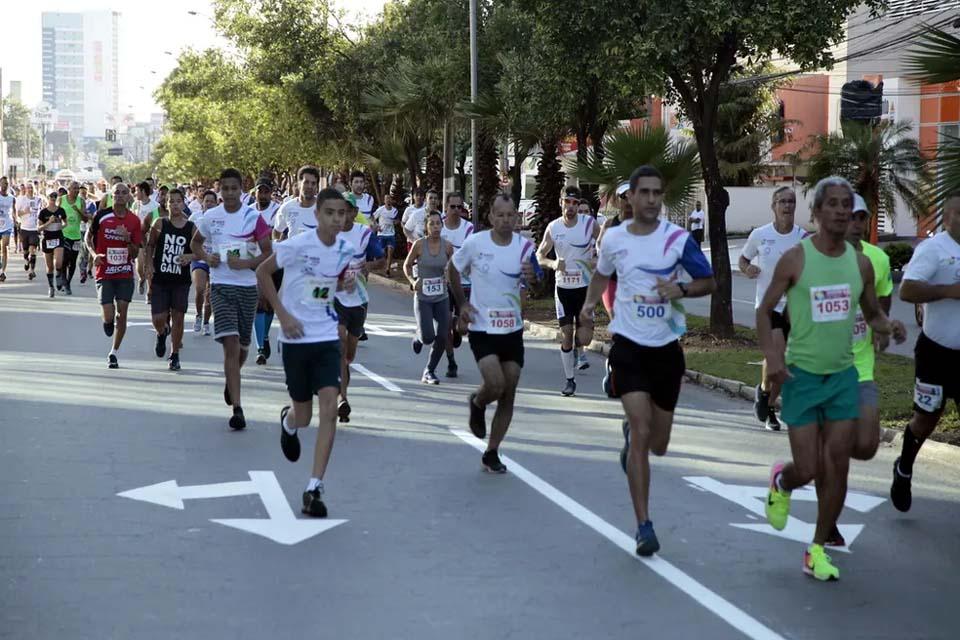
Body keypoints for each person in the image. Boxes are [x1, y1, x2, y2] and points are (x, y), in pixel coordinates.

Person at [759, 176, 904, 582]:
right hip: (802, 376)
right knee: (806, 468)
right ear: (818, 212)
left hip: (843, 375)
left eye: (847, 204)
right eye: (834, 204)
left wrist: (887, 325)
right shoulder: (796, 258)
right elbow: (768, 312)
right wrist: (773, 359)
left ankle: (817, 549)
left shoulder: (860, 263)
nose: (842, 211)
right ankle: (782, 481)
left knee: (837, 463)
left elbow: (871, 311)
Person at [580, 165, 715, 556]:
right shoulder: (615, 238)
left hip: (667, 349)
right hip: (629, 347)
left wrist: (682, 288)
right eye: (645, 193)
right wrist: (589, 306)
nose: (652, 200)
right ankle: (643, 525)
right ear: (631, 197)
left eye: (658, 193)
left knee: (659, 444)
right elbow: (601, 277)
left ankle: (632, 438)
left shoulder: (677, 239)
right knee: (642, 432)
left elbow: (709, 281)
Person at [256, 188, 356, 518]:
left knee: (329, 407)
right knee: (305, 416)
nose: (336, 219)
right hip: (295, 339)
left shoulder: (346, 249)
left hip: (327, 337)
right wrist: (283, 315)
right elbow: (262, 273)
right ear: (317, 216)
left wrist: (346, 284)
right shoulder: (298, 245)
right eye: (330, 213)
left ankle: (314, 487)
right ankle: (288, 422)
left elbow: (333, 284)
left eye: (341, 214)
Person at [819, 193, 897, 547]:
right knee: (836, 458)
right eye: (850, 216)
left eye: (861, 217)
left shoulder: (877, 260)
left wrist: (884, 330)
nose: (855, 223)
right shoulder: (817, 257)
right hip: (822, 368)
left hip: (861, 367)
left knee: (865, 445)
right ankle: (828, 524)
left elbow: (881, 304)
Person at [448, 193, 539, 474]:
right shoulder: (477, 243)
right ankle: (477, 401)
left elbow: (535, 284)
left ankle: (492, 451)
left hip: (512, 329)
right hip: (483, 327)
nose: (505, 220)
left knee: (508, 392)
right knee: (495, 383)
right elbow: (451, 268)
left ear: (516, 217)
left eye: (510, 215)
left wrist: (534, 276)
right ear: (490, 217)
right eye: (500, 215)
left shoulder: (525, 247)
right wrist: (462, 303)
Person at [891, 191, 960, 513]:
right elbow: (907, 289)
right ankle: (904, 469)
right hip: (936, 353)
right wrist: (949, 291)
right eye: (958, 213)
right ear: (946, 217)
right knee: (926, 418)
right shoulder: (934, 249)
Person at [191, 168, 273, 431]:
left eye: (233, 188)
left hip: (247, 287)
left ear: (241, 190)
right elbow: (195, 244)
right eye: (224, 188)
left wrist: (247, 263)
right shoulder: (210, 217)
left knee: (243, 347)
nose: (228, 193)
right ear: (220, 190)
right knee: (231, 343)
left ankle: (231, 378)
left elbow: (268, 251)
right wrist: (207, 257)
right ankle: (238, 408)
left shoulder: (253, 217)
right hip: (221, 287)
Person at [739, 187, 808, 430]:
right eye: (782, 202)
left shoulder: (803, 238)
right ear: (773, 206)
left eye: (791, 202)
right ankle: (768, 406)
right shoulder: (760, 235)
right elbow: (743, 260)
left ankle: (766, 399)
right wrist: (748, 270)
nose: (787, 206)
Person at [537, 185, 600, 396]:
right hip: (563, 289)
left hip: (584, 289)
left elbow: (606, 246)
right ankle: (570, 380)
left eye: (575, 203)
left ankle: (576, 348)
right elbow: (539, 255)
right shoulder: (553, 228)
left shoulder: (589, 224)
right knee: (567, 334)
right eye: (567, 202)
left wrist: (596, 259)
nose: (571, 207)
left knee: (585, 339)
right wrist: (553, 264)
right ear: (560, 202)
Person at [333, 194, 383, 422]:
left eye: (348, 210)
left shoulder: (364, 234)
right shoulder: (329, 234)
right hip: (335, 298)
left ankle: (341, 385)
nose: (343, 215)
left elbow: (382, 260)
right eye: (340, 210)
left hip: (359, 300)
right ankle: (342, 399)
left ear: (355, 213)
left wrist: (369, 264)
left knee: (349, 354)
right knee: (340, 345)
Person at [86, 183, 143, 368]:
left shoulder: (134, 221)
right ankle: (107, 321)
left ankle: (114, 352)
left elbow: (135, 253)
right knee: (109, 315)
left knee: (123, 313)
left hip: (125, 272)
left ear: (129, 197)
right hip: (105, 271)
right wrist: (95, 255)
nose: (119, 195)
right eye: (116, 192)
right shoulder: (102, 216)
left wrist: (127, 239)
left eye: (124, 193)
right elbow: (88, 238)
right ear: (111, 196)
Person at [144, 188, 196, 371]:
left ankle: (174, 354)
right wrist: (149, 265)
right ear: (166, 204)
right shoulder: (160, 223)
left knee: (178, 317)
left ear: (183, 203)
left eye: (178, 201)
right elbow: (150, 245)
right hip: (161, 278)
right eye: (171, 201)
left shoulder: (191, 227)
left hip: (181, 281)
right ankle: (162, 332)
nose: (174, 204)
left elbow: (199, 251)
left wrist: (189, 257)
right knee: (158, 318)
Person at [405, 211, 454, 384]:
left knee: (442, 335)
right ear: (426, 227)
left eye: (438, 223)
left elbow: (452, 268)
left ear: (442, 225)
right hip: (423, 297)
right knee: (428, 337)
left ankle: (429, 370)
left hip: (442, 296)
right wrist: (412, 281)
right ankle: (418, 336)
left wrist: (449, 274)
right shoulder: (419, 245)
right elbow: (407, 265)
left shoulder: (447, 246)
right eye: (432, 224)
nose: (435, 227)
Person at [439, 191, 475, 378]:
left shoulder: (468, 228)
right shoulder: (439, 227)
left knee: (463, 327)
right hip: (443, 283)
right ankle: (451, 361)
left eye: (459, 207)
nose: (455, 210)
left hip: (464, 283)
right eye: (452, 207)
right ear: (446, 207)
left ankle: (457, 326)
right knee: (444, 323)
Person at [252, 178, 281, 364]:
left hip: (275, 261)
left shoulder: (277, 210)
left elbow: (278, 233)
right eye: (260, 191)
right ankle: (260, 348)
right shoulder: (247, 211)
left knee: (269, 304)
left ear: (271, 193)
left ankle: (264, 336)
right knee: (258, 302)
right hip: (254, 261)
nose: (263, 195)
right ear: (254, 192)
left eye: (266, 191)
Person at [188, 190, 218, 336]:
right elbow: (188, 237)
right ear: (203, 203)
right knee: (200, 288)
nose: (209, 204)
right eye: (207, 201)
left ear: (217, 203)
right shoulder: (195, 217)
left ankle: (206, 322)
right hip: (199, 257)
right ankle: (198, 315)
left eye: (212, 201)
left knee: (211, 294)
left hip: (215, 260)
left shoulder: (220, 219)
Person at [274, 166, 320, 241]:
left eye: (313, 183)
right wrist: (277, 244)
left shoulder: (325, 208)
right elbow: (276, 231)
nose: (310, 186)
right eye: (306, 182)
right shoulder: (287, 208)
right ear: (298, 184)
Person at [59, 181, 87, 296]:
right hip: (64, 234)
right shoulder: (62, 199)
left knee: (73, 261)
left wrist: (78, 210)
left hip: (76, 235)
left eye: (77, 189)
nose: (76, 190)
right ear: (69, 189)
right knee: (64, 260)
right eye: (74, 188)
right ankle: (65, 283)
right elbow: (56, 212)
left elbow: (85, 219)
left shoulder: (81, 201)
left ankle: (67, 282)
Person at [135, 181, 161, 297]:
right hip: (138, 238)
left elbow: (157, 223)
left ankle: (150, 292)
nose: (135, 194)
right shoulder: (135, 205)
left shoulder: (155, 206)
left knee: (149, 263)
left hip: (150, 239)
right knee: (140, 266)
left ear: (143, 192)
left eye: (137, 191)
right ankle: (141, 279)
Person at [38, 191, 67, 298]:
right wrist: (49, 222)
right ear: (48, 198)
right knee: (49, 267)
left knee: (58, 263)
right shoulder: (43, 212)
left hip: (58, 238)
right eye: (51, 197)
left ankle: (58, 275)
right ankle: (51, 287)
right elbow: (39, 228)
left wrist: (62, 226)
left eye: (55, 197)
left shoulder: (61, 210)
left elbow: (65, 222)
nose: (53, 199)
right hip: (47, 239)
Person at [15, 183, 41, 280]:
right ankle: (26, 261)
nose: (30, 189)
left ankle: (32, 271)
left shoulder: (38, 199)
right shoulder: (21, 199)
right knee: (25, 251)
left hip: (34, 229)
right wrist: (25, 211)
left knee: (32, 250)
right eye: (28, 188)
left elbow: (40, 212)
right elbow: (18, 213)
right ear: (25, 189)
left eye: (32, 188)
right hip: (24, 228)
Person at [372, 193, 398, 276]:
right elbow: (372, 217)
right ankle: (381, 267)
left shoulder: (395, 210)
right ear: (384, 200)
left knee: (390, 251)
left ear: (391, 200)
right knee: (382, 253)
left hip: (391, 234)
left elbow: (398, 220)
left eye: (389, 198)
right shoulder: (380, 209)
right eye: (386, 199)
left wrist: (396, 222)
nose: (388, 200)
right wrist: (376, 226)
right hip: (381, 234)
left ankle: (387, 269)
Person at [0, 177, 14, 283]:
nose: (5, 185)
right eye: (4, 183)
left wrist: (17, 219)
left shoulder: (11, 197)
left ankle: (3, 271)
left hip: (7, 225)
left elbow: (14, 211)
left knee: (5, 247)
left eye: (7, 183)